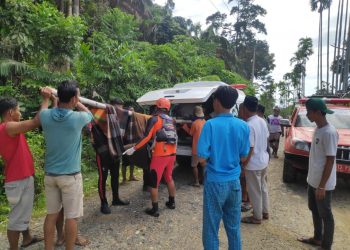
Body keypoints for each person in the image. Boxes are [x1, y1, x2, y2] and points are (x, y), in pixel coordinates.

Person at [39, 80, 93, 250]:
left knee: (51, 215)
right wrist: (79, 103)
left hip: (50, 176)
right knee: (72, 217)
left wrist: (46, 98)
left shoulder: (46, 116)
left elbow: (44, 111)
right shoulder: (78, 118)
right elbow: (90, 114)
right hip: (70, 177)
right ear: (74, 99)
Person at [197, 86, 250, 250]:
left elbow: (201, 157)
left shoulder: (210, 125)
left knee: (211, 228)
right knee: (234, 229)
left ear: (217, 101)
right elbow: (243, 157)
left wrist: (211, 163)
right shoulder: (243, 126)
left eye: (213, 99)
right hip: (234, 183)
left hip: (214, 182)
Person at [0, 88, 53, 250]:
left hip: (18, 176)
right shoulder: (9, 127)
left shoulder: (8, 127)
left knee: (22, 212)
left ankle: (27, 237)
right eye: (18, 110)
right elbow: (37, 121)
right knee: (17, 218)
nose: (20, 112)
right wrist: (46, 100)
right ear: (10, 112)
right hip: (19, 179)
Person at [124, 98, 177, 217]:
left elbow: (147, 137)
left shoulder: (154, 119)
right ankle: (172, 203)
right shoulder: (171, 120)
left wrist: (133, 149)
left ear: (157, 107)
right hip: (172, 154)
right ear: (168, 108)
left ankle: (155, 210)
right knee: (169, 177)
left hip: (160, 155)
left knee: (153, 182)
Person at [297, 98, 338, 250]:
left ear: (317, 112)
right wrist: (312, 181)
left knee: (326, 214)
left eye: (309, 112)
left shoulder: (329, 132)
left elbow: (330, 160)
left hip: (323, 184)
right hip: (313, 181)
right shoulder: (318, 129)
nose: (307, 114)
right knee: (314, 209)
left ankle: (326, 246)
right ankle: (317, 238)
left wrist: (322, 186)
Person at [90, 97, 130, 215]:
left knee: (115, 176)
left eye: (120, 110)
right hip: (103, 153)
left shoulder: (119, 119)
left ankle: (116, 199)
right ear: (110, 107)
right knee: (103, 178)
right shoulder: (100, 116)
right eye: (117, 109)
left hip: (115, 152)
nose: (118, 112)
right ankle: (104, 203)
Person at [240, 96, 270, 224]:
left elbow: (250, 148)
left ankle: (257, 217)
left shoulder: (249, 125)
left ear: (245, 108)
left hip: (254, 164)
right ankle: (265, 211)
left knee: (254, 191)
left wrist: (243, 165)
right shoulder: (261, 120)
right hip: (263, 160)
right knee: (263, 187)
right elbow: (266, 138)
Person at [182, 106, 206, 187]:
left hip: (196, 148)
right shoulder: (205, 122)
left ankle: (196, 182)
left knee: (194, 165)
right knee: (203, 165)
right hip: (204, 148)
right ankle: (204, 180)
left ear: (194, 114)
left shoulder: (194, 123)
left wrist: (185, 127)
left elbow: (191, 134)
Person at [122, 106, 139, 184]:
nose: (132, 113)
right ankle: (124, 179)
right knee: (125, 162)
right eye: (130, 111)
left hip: (133, 143)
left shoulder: (136, 120)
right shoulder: (124, 121)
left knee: (133, 160)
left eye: (133, 111)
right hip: (126, 144)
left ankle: (131, 176)